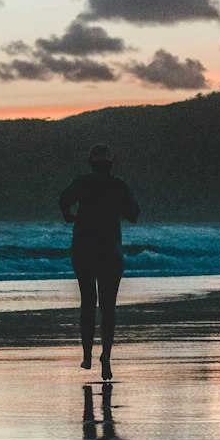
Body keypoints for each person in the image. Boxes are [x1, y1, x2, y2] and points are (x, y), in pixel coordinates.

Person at [59, 144, 139, 380]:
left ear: (91, 163)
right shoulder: (119, 186)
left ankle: (86, 355)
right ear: (111, 163)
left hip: (84, 250)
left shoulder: (82, 182)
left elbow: (64, 200)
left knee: (87, 301)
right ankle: (106, 354)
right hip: (110, 251)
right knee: (108, 305)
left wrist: (69, 216)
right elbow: (134, 214)